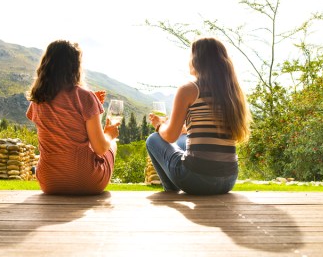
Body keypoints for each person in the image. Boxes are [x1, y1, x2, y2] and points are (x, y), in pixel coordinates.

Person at [146, 37, 252, 195]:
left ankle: (171, 190)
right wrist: (186, 129)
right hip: (228, 180)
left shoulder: (189, 89)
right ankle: (176, 185)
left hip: (196, 179)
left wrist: (160, 125)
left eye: (190, 56)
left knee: (153, 139)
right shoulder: (232, 93)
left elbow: (169, 136)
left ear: (198, 60)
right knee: (183, 140)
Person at [26, 40, 120, 195]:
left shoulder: (37, 100)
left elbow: (61, 123)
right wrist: (109, 133)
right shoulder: (85, 97)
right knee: (111, 145)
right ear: (75, 67)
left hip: (49, 182)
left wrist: (91, 104)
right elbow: (100, 148)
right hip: (87, 181)